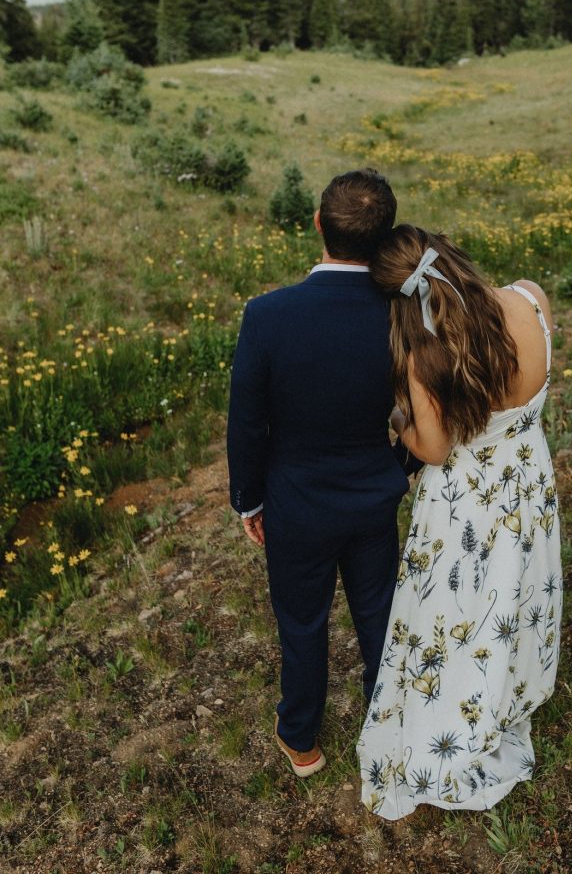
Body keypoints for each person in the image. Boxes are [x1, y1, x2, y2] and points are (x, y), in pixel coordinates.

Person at [357, 225, 563, 820]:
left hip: (466, 502)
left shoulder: (429, 356)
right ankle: (513, 684)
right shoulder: (530, 300)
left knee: (459, 610)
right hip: (527, 480)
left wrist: (399, 420)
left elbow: (437, 448)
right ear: (450, 253)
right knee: (517, 589)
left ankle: (464, 703)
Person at [227, 169, 410, 778]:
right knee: (379, 615)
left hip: (295, 503)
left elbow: (247, 423)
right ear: (381, 235)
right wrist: (396, 465)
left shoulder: (268, 315)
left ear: (317, 224)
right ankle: (390, 725)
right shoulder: (399, 315)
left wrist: (249, 502)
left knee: (301, 622)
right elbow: (421, 410)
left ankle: (301, 739)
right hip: (372, 499)